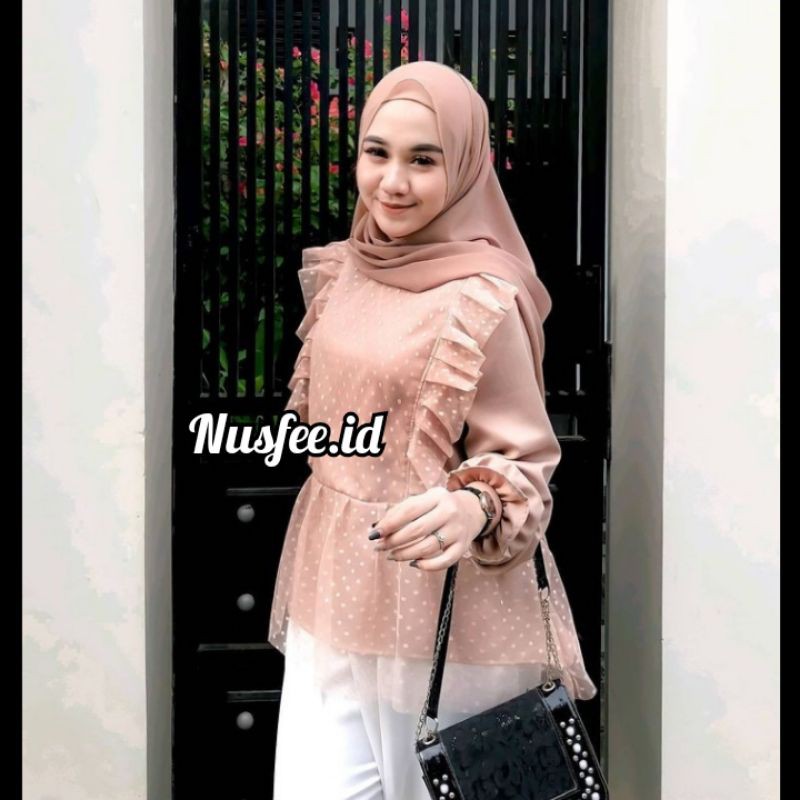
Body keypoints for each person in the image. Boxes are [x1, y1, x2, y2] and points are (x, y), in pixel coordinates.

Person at [269, 60, 597, 800]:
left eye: (423, 159)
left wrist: (473, 503)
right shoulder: (347, 272)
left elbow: (525, 460)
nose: (392, 182)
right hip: (335, 588)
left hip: (444, 609)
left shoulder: (483, 297)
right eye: (377, 152)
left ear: (466, 166)